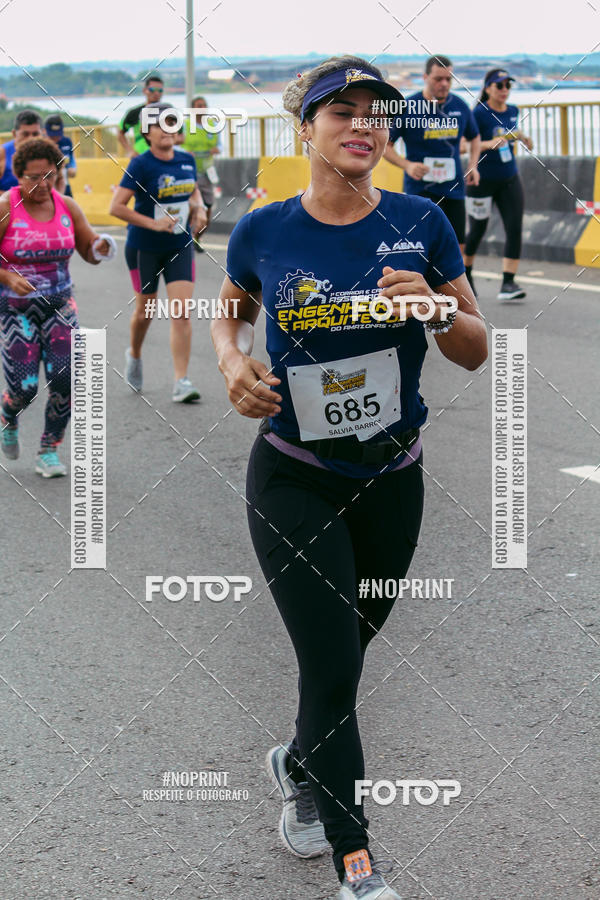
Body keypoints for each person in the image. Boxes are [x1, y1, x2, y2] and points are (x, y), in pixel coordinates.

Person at [211, 55, 487, 899]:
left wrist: (438, 308)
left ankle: (298, 760)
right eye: (344, 112)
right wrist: (231, 360)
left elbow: (475, 348)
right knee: (331, 668)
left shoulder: (422, 220)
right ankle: (356, 865)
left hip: (391, 478)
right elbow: (231, 311)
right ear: (308, 128)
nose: (364, 125)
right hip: (293, 475)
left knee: (347, 657)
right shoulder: (266, 229)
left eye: (376, 114)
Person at [0, 138, 115, 476]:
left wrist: (102, 247)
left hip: (60, 307)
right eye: (33, 177)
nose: (42, 184)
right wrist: (7, 278)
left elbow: (89, 250)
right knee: (24, 387)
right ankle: (8, 415)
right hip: (15, 310)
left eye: (49, 175)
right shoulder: (6, 206)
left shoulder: (67, 206)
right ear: (18, 175)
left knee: (65, 380)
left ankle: (48, 450)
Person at [109, 104, 207, 402]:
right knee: (145, 312)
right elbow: (116, 207)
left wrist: (199, 208)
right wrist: (154, 223)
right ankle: (135, 354)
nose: (167, 130)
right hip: (144, 248)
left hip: (179, 245)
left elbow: (192, 189)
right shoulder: (140, 165)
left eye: (172, 123)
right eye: (160, 125)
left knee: (181, 313)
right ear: (147, 133)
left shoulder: (187, 159)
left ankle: (181, 381)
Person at [383, 55, 480, 251]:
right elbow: (385, 145)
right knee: (423, 247)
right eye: (438, 79)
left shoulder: (459, 106)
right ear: (425, 77)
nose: (444, 84)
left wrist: (473, 166)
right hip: (420, 190)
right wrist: (407, 165)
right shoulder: (408, 107)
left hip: (454, 189)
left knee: (457, 245)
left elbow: (475, 137)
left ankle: (459, 281)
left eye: (448, 79)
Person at [464, 69, 533, 301]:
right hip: (481, 181)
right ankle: (466, 275)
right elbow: (464, 145)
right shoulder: (478, 114)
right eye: (499, 85)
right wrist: (487, 144)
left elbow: (510, 132)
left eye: (508, 86)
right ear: (487, 88)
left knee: (514, 228)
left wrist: (523, 137)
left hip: (509, 179)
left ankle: (508, 283)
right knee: (477, 230)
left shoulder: (513, 111)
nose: (504, 90)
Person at [182, 95, 221, 252]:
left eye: (204, 105)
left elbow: (220, 146)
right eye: (198, 105)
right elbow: (176, 145)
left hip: (207, 173)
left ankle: (197, 238)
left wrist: (215, 150)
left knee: (208, 206)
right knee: (191, 206)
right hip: (188, 172)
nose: (202, 107)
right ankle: (186, 239)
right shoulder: (185, 125)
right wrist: (186, 152)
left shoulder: (213, 125)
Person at [117, 75, 165, 158]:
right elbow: (120, 132)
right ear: (144, 91)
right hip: (141, 157)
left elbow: (179, 136)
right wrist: (130, 151)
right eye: (152, 90)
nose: (156, 93)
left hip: (162, 157)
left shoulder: (167, 112)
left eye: (160, 90)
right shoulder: (135, 112)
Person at [0, 109, 43, 192]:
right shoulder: (3, 153)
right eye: (25, 134)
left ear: (42, 133)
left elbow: (60, 178)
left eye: (35, 134)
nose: (31, 139)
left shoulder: (48, 153)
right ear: (14, 134)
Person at [44, 114, 77, 197]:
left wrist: (72, 168)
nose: (56, 139)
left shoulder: (66, 142)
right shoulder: (41, 145)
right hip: (47, 186)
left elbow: (71, 158)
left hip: (64, 184)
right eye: (52, 136)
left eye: (58, 135)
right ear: (45, 131)